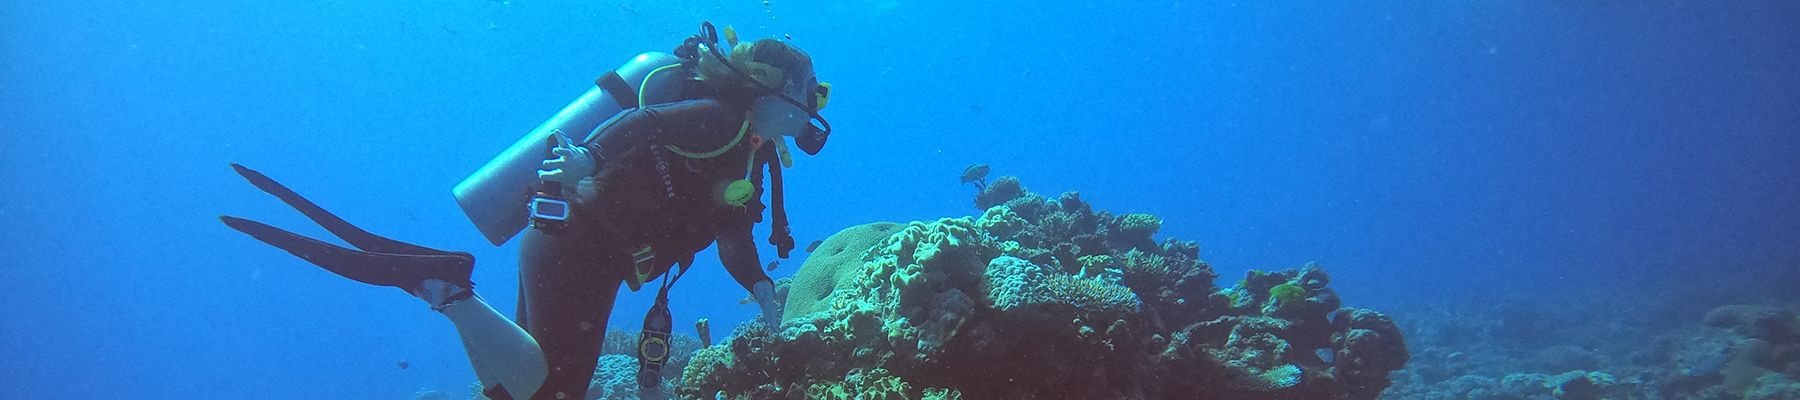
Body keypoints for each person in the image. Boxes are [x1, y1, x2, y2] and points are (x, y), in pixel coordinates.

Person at [220, 23, 833, 400]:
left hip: (568, 241)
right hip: (582, 248)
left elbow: (731, 234)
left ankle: (445, 287)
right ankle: (448, 288)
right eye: (811, 92)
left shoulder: (747, 153)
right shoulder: (722, 119)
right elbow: (644, 121)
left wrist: (759, 286)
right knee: (553, 394)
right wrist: (589, 158)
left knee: (518, 391)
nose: (815, 105)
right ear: (774, 87)